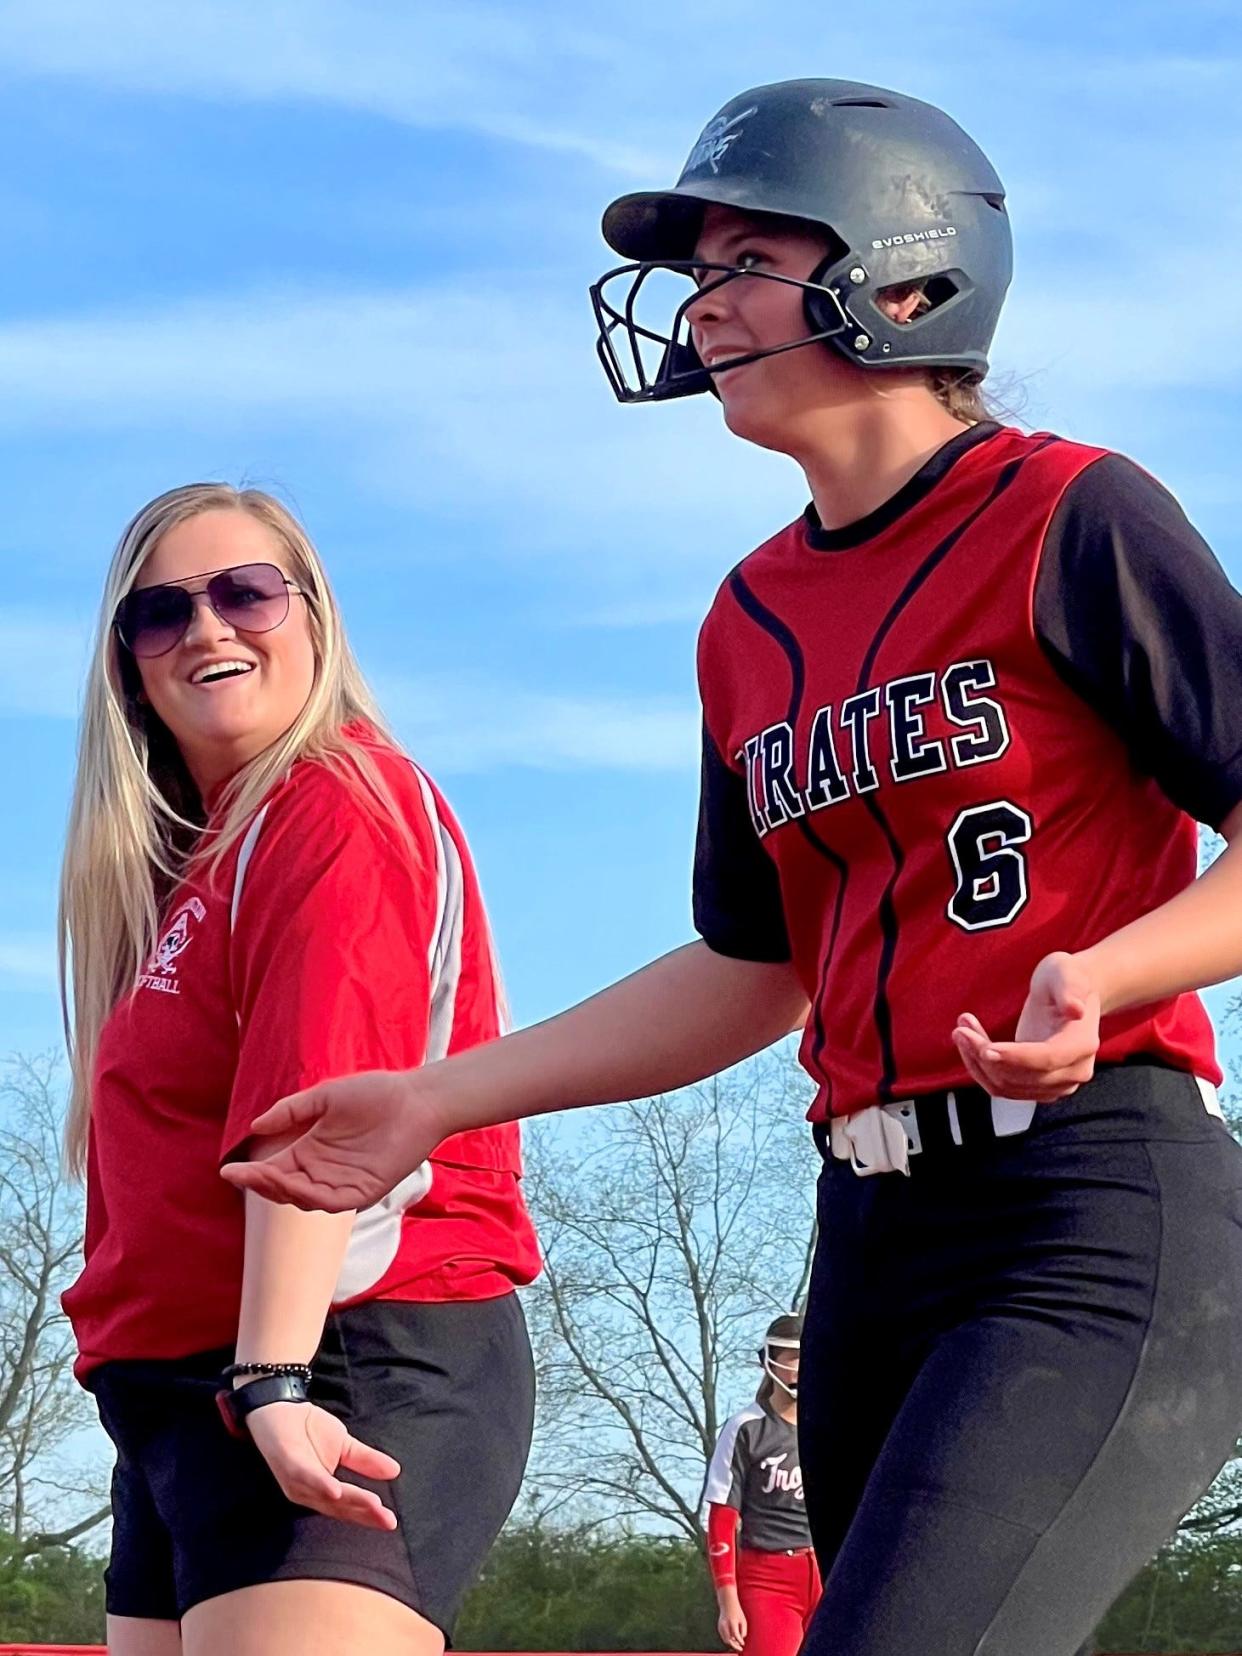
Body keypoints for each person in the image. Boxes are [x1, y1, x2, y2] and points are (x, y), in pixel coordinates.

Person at [224, 79, 1242, 1656]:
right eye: (692, 273)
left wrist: (1116, 969)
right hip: (869, 1235)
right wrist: (436, 1098)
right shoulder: (746, 617)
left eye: (743, 258)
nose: (698, 307)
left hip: (1090, 1201)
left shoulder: (1070, 511)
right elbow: (750, 967)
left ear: (903, 280)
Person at [59, 484, 540, 1656]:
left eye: (245, 593)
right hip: (177, 1398)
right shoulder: (185, 867)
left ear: (313, 617)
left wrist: (273, 1378)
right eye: (162, 612)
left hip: (341, 1353)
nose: (209, 629)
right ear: (128, 664)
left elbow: (314, 1120)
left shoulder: (337, 801)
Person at [703, 1314, 820, 1656]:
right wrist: (728, 1601)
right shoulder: (746, 1428)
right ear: (770, 1362)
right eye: (792, 1359)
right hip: (769, 1580)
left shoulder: (828, 1426)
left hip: (825, 1573)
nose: (800, 1368)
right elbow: (722, 1519)